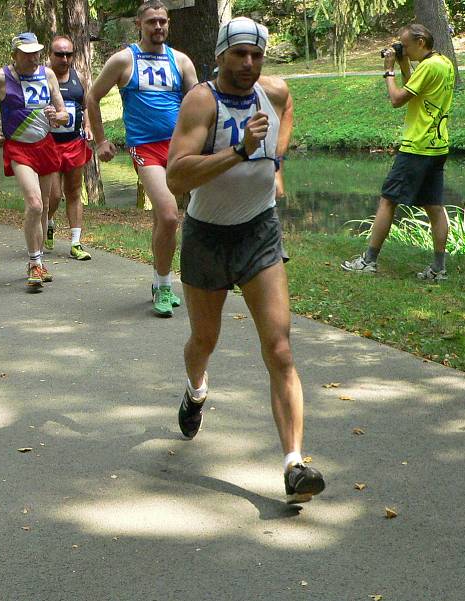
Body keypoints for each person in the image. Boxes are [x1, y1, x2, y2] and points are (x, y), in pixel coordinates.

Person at [166, 17, 325, 504]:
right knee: (205, 339)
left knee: (279, 348)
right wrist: (239, 151)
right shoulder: (202, 102)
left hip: (258, 233)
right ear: (220, 55)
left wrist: (276, 162)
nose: (249, 64)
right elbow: (176, 176)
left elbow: (288, 109)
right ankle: (196, 390)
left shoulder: (273, 92)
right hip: (207, 237)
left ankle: (294, 464)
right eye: (239, 54)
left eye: (256, 55)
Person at [86, 0, 197, 316]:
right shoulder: (123, 60)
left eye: (163, 21)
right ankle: (163, 286)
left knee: (174, 219)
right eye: (152, 22)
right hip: (145, 148)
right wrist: (101, 140)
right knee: (168, 215)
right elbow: (92, 97)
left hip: (179, 148)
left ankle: (160, 277)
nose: (158, 27)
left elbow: (199, 101)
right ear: (139, 25)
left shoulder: (181, 61)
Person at [342, 23, 454, 282]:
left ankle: (368, 261)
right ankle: (439, 269)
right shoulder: (443, 62)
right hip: (437, 147)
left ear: (421, 42)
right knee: (435, 207)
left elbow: (397, 99)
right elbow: (414, 88)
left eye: (404, 44)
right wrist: (404, 64)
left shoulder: (428, 66)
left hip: (417, 146)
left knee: (388, 200)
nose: (401, 47)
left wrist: (389, 71)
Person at [0, 32, 68, 288]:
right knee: (35, 204)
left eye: (36, 52)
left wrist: (57, 116)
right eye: (27, 53)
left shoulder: (47, 75)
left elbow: (62, 114)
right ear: (15, 55)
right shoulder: (0, 78)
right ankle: (34, 262)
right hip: (19, 148)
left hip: (45, 146)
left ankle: (39, 261)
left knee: (47, 206)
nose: (33, 58)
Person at [45, 35, 92, 261]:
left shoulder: (79, 77)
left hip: (74, 142)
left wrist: (88, 126)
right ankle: (49, 221)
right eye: (59, 54)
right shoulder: (41, 77)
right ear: (50, 55)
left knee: (74, 192)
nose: (65, 59)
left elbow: (87, 106)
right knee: (54, 195)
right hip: (50, 144)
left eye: (68, 54)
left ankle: (76, 242)